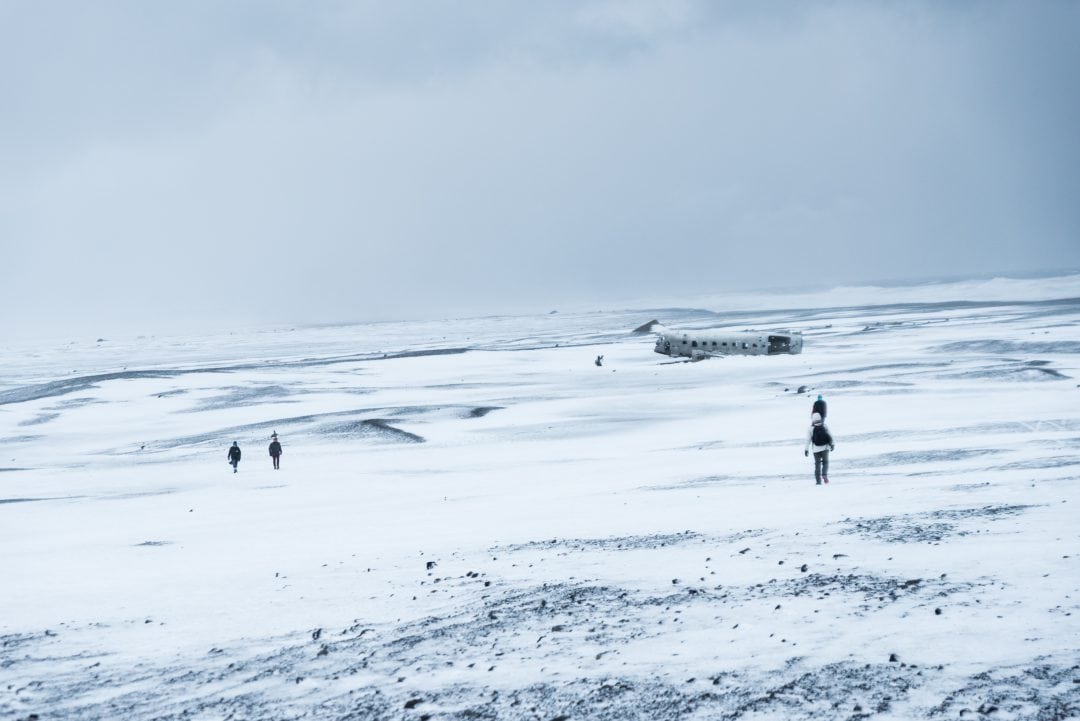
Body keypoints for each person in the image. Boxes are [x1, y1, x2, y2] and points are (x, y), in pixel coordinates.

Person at [804, 412, 834, 485]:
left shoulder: (810, 428)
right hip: (825, 448)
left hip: (816, 450)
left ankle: (818, 481)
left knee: (817, 465)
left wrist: (806, 449)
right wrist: (832, 444)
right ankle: (824, 474)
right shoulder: (824, 426)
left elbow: (808, 440)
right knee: (825, 462)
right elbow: (830, 435)